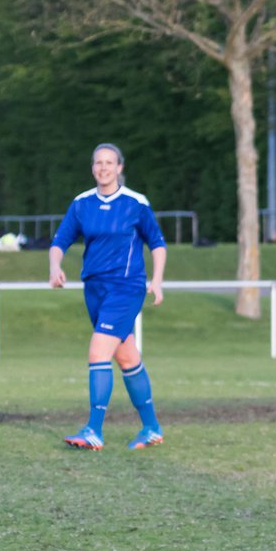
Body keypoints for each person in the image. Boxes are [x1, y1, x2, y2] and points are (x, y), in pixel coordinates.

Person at [49, 144, 168, 450]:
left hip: (126, 288)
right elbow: (60, 240)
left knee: (98, 351)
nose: (103, 168)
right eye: (98, 163)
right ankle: (152, 428)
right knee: (127, 357)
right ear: (93, 168)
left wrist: (156, 280)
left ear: (119, 168)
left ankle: (93, 430)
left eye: (109, 163)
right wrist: (55, 266)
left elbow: (157, 242)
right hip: (95, 290)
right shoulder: (82, 203)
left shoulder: (135, 203)